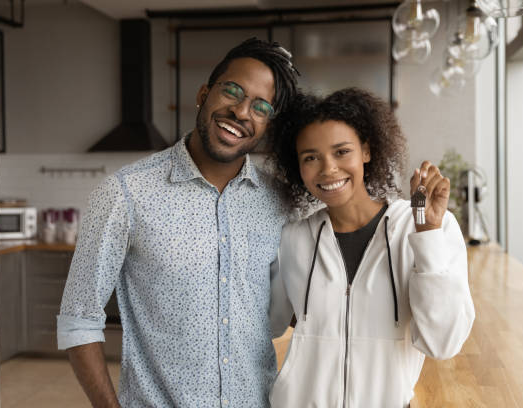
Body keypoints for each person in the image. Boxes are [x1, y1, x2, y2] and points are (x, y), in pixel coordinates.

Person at [57, 38, 299, 407]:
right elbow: (78, 321)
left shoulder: (279, 202)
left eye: (261, 107)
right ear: (204, 94)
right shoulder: (124, 194)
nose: (241, 111)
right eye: (232, 91)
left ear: (267, 125)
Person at [268, 88, 475, 407]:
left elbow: (443, 343)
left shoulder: (425, 226)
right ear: (298, 166)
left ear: (366, 150)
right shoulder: (292, 238)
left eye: (341, 152)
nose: (328, 169)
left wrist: (427, 234)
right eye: (311, 157)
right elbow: (268, 321)